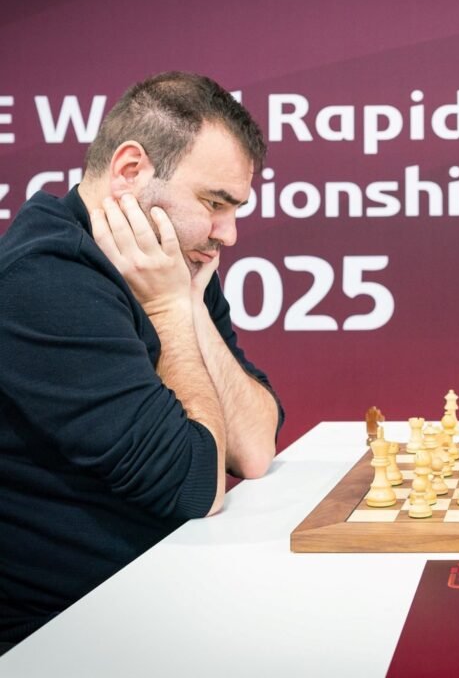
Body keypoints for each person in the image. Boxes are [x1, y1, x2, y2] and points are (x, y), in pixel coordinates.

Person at [0, 72, 285, 650]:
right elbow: (195, 487)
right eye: (214, 203)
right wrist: (167, 308)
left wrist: (186, 302)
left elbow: (255, 449)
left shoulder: (169, 261)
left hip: (160, 600)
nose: (228, 234)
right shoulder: (42, 278)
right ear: (130, 170)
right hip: (64, 638)